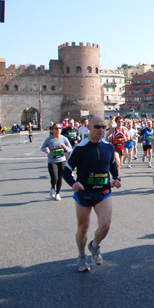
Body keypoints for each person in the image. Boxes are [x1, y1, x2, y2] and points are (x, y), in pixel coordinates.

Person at [62, 115, 121, 272]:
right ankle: (81, 255)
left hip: (103, 192)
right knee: (83, 228)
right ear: (89, 127)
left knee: (105, 226)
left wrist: (116, 178)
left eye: (103, 127)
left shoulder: (108, 147)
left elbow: (113, 165)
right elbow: (66, 171)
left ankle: (94, 246)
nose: (101, 130)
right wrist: (73, 183)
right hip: (84, 193)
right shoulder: (80, 149)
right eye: (97, 127)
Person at [41, 123, 72, 201]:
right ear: (53, 130)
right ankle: (53, 187)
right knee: (54, 178)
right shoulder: (49, 139)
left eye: (59, 128)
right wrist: (46, 149)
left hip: (61, 160)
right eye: (56, 128)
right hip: (52, 160)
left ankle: (57, 193)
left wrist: (65, 147)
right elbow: (43, 147)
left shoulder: (64, 139)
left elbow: (70, 148)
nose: (58, 130)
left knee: (60, 178)